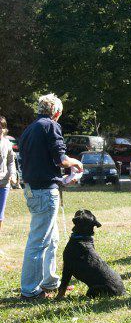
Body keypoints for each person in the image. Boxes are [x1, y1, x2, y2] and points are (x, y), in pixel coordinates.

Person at [18, 94, 83, 300]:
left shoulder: (29, 129)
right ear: (56, 112)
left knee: (51, 238)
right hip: (44, 192)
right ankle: (29, 290)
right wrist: (75, 163)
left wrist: (59, 179)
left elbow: (40, 162)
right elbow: (61, 158)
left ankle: (50, 281)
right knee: (39, 241)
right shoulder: (51, 126)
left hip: (33, 188)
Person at [0, 115, 19, 232]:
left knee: (0, 216)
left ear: (4, 128)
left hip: (4, 184)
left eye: (1, 127)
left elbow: (11, 161)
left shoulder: (7, 143)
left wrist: (13, 174)